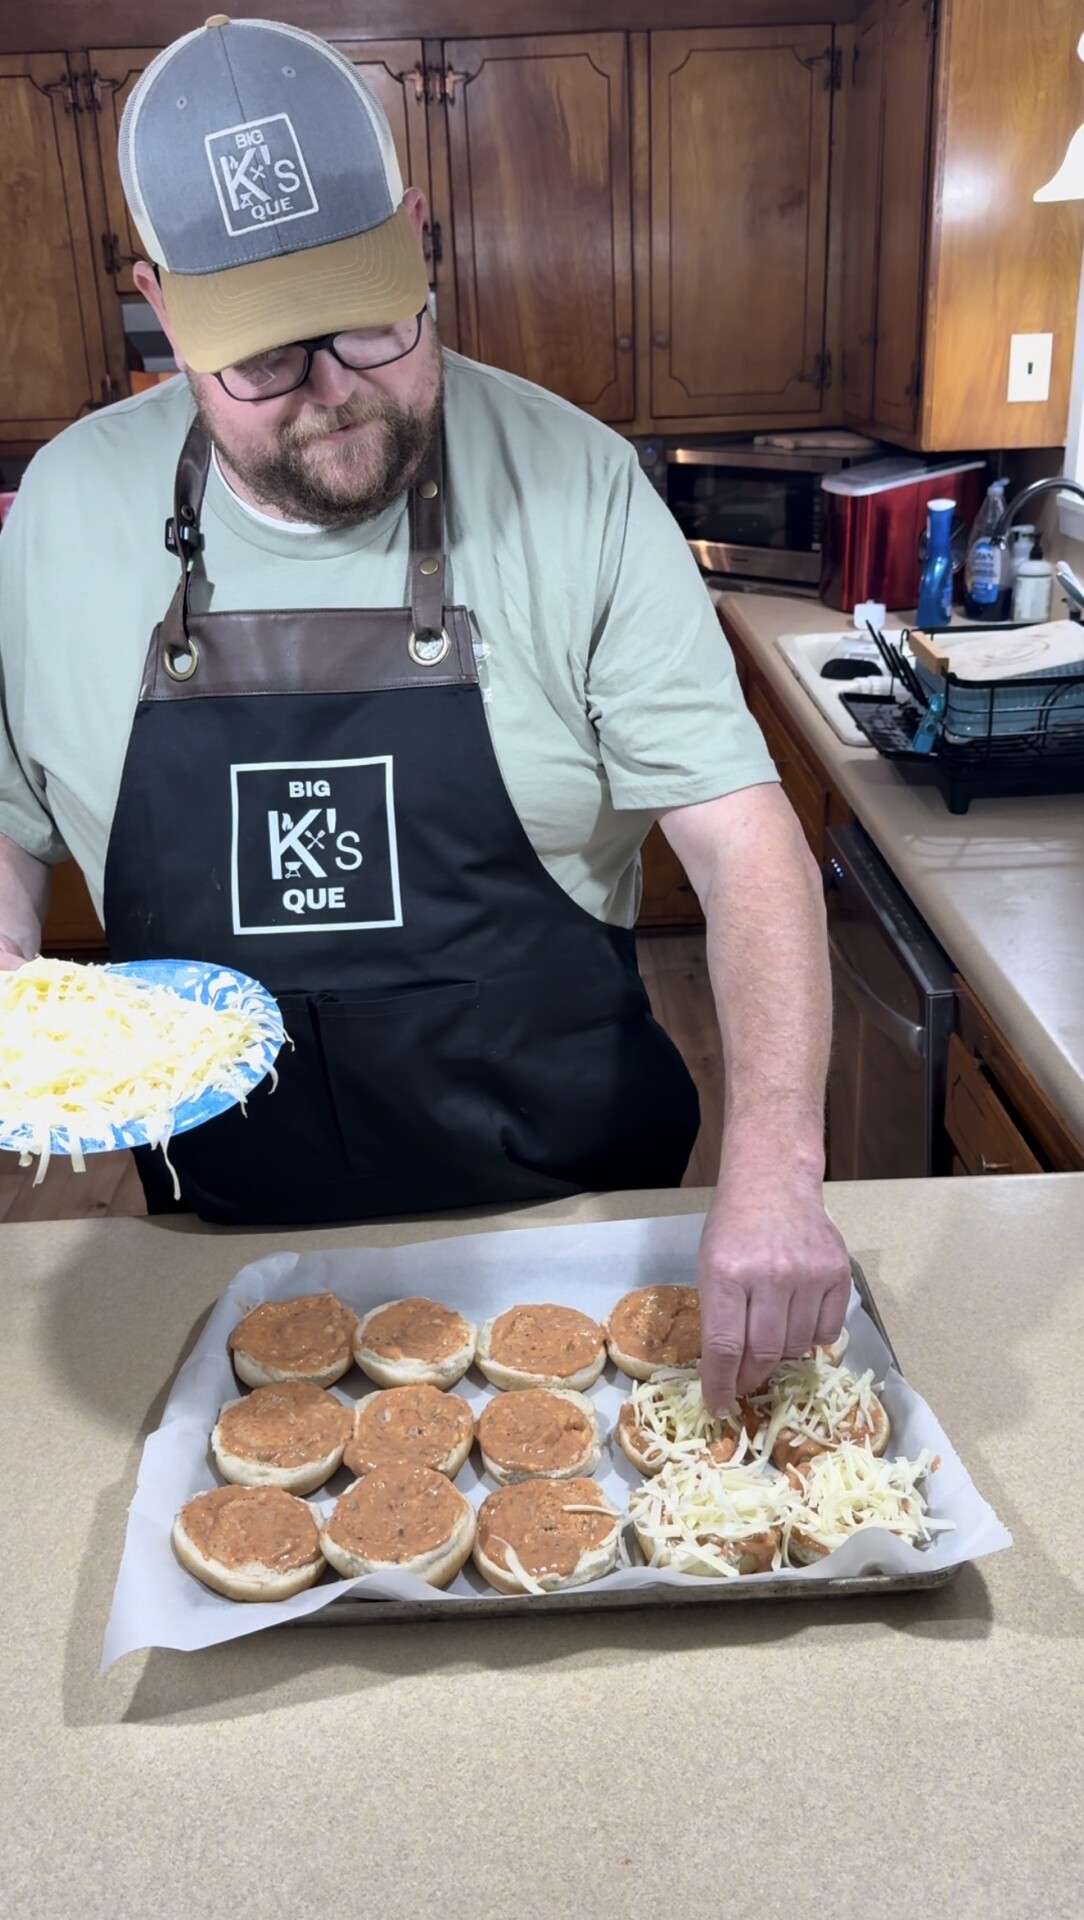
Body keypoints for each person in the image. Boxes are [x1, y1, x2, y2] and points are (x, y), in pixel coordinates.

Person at [0, 16, 849, 1411]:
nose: (333, 393)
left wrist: (776, 1169)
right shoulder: (63, 519)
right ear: (160, 303)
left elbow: (743, 838)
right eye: (262, 363)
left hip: (570, 1223)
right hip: (215, 1238)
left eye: (369, 324)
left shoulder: (577, 486)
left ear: (416, 235)